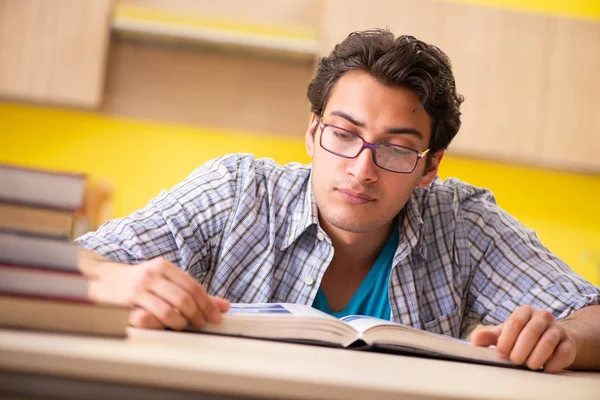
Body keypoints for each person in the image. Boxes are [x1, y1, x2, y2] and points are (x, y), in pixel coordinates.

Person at [77, 29, 600, 373]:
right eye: (344, 134)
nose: (361, 168)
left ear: (431, 166)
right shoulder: (236, 192)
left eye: (396, 149)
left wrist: (567, 338)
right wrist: (110, 279)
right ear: (311, 132)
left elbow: (592, 315)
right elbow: (56, 262)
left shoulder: (463, 224)